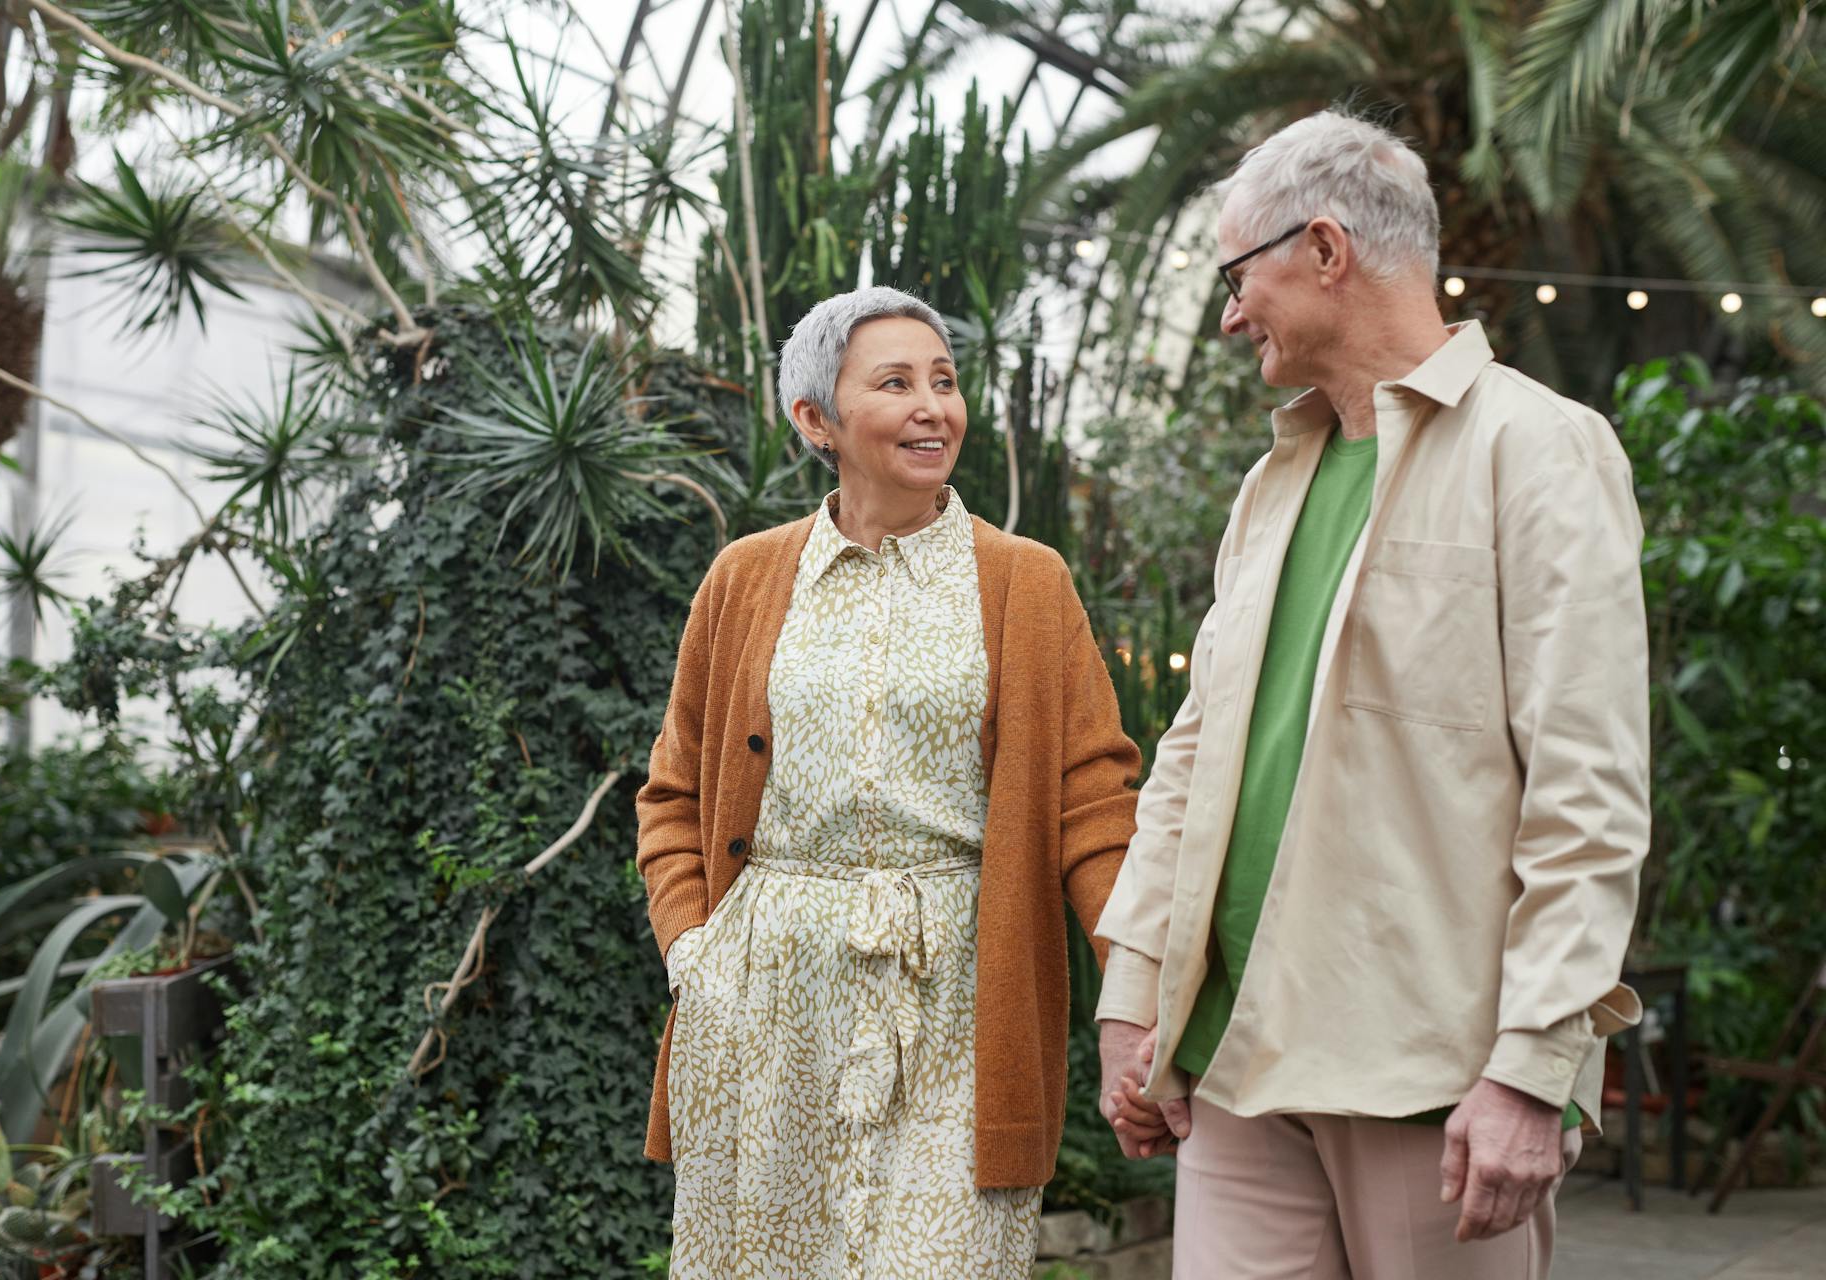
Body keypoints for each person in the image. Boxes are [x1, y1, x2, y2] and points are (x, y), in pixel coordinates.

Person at [1093, 110, 1650, 1279]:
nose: (1232, 312)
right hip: (1234, 1059)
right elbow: (1195, 750)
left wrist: (1531, 1064)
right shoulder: (1271, 480)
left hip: (1429, 1071)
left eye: (1241, 276)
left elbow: (1586, 790)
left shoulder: (1542, 449)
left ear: (1328, 249)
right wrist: (1134, 995)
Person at [637, 285, 1140, 1277]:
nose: (932, 406)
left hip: (957, 990)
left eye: (945, 382)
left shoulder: (1024, 582)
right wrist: (694, 952)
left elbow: (1091, 797)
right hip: (766, 997)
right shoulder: (743, 578)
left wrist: (1137, 979)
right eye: (896, 382)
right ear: (816, 418)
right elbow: (673, 790)